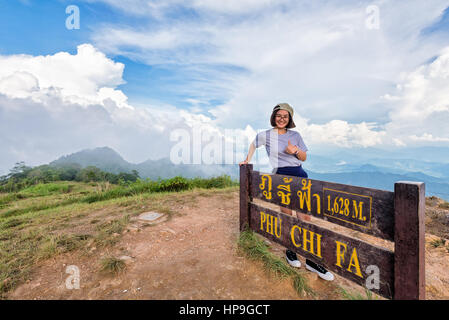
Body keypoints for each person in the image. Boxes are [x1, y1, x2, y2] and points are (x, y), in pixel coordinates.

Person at [239, 103, 334, 281]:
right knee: (287, 215)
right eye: (278, 115)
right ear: (273, 117)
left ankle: (312, 260)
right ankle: (291, 250)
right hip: (280, 177)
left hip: (299, 175)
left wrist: (295, 150)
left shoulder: (295, 135)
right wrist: (246, 160)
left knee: (304, 217)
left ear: (289, 119)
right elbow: (253, 144)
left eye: (285, 116)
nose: (281, 119)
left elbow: (304, 157)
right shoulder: (265, 135)